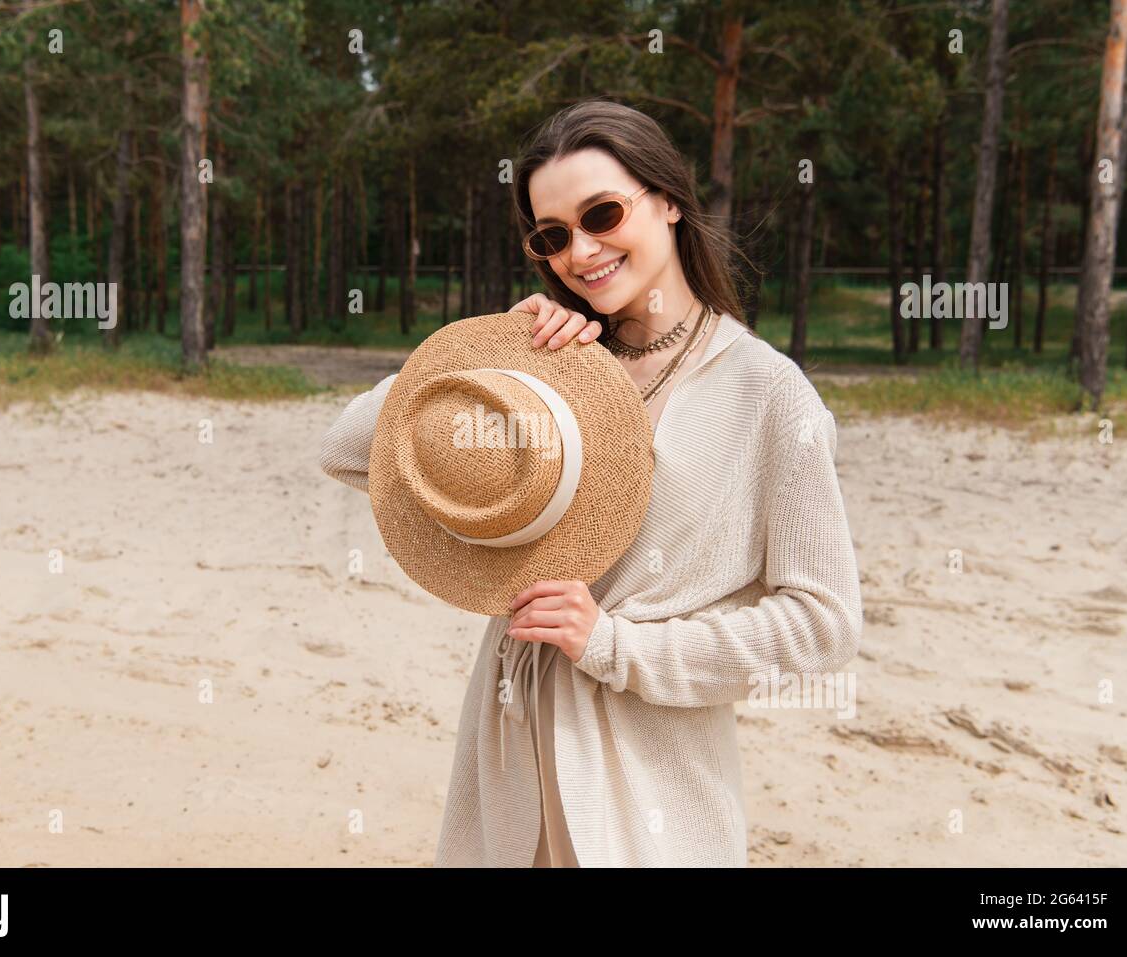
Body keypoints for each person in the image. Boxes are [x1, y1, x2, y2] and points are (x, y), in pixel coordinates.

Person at [319, 98, 862, 867]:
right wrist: (498, 356)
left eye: (603, 213)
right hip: (512, 751)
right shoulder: (546, 366)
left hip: (653, 781)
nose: (581, 251)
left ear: (669, 199)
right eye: (553, 236)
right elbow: (347, 446)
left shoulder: (769, 393)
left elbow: (824, 623)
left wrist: (616, 646)